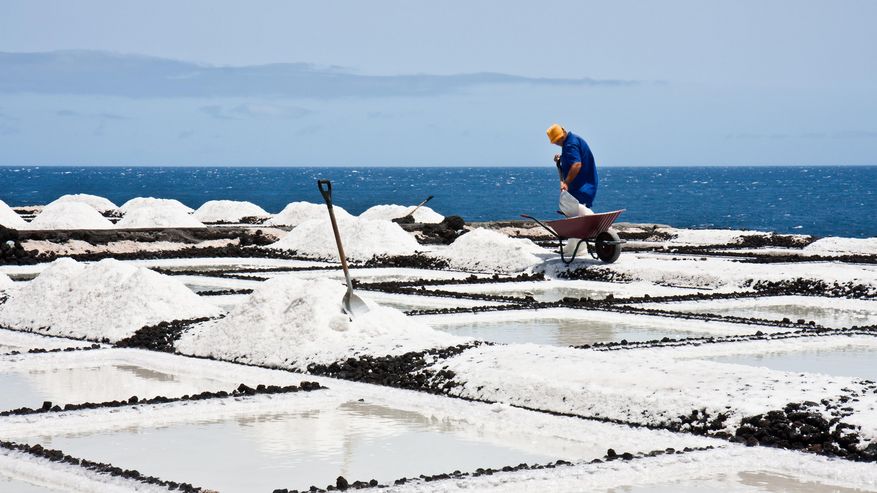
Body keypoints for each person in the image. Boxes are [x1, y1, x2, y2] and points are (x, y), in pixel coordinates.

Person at [546, 124, 598, 217]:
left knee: (579, 208)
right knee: (575, 209)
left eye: (559, 139)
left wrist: (566, 182)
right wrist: (561, 159)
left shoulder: (570, 144)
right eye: (556, 141)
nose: (558, 143)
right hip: (581, 186)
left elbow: (577, 164)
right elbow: (572, 159)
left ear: (564, 131)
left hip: (582, 187)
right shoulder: (571, 141)